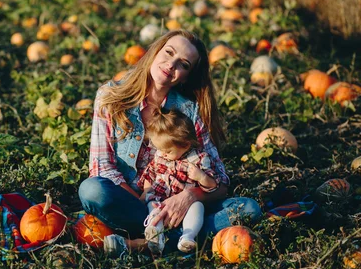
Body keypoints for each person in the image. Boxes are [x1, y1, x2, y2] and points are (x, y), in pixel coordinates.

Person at [77, 29, 262, 257]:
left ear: (186, 76)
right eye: (169, 52)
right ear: (155, 51)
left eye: (183, 64)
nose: (171, 64)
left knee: (248, 209)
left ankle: (142, 244)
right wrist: (153, 210)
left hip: (180, 207)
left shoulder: (189, 110)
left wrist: (190, 196)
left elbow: (221, 181)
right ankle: (170, 237)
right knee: (92, 189)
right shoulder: (110, 96)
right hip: (132, 205)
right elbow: (101, 167)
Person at [137, 108, 220, 255]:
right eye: (159, 149)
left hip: (186, 206)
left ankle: (187, 236)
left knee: (198, 207)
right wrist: (146, 190)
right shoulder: (160, 156)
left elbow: (214, 185)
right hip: (162, 200)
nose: (162, 154)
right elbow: (149, 174)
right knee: (153, 205)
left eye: (167, 151)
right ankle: (156, 233)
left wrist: (201, 177)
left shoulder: (199, 159)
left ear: (186, 145)